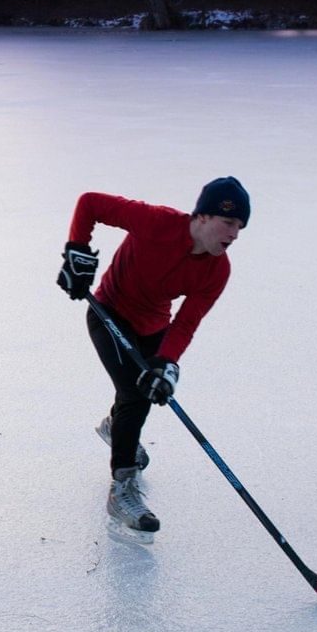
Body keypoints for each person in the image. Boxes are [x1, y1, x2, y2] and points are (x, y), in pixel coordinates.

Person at [57, 177, 248, 535]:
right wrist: (77, 252)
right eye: (229, 223)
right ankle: (123, 488)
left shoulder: (218, 270)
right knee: (134, 393)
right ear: (203, 217)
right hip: (109, 312)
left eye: (240, 227)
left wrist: (166, 364)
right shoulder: (156, 222)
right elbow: (90, 203)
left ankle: (117, 428)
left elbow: (187, 322)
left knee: (146, 389)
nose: (235, 233)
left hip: (154, 327)